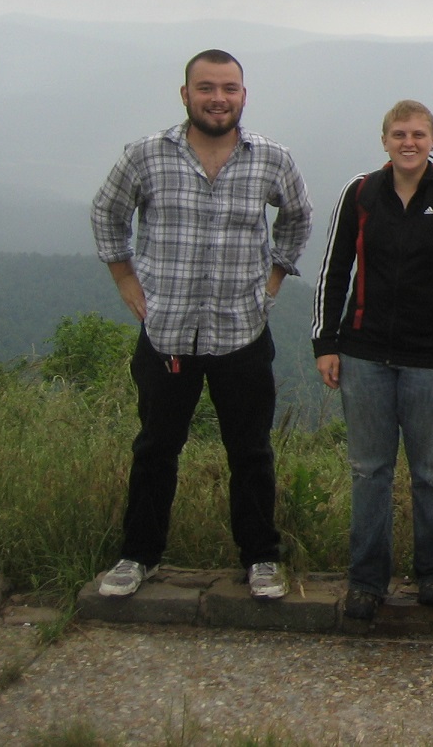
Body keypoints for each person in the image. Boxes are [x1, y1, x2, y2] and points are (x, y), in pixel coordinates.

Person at [90, 50, 312, 600]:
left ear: (244, 95)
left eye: (230, 88)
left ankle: (261, 559)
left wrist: (274, 280)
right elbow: (106, 213)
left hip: (241, 329)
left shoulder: (271, 159)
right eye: (207, 88)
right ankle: (137, 556)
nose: (219, 98)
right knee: (156, 449)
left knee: (252, 451)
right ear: (185, 94)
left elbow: (299, 217)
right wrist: (125, 281)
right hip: (166, 331)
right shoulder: (146, 156)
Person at [312, 100, 433, 619]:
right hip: (364, 352)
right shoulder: (361, 193)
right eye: (398, 133)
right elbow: (335, 267)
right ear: (384, 140)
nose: (408, 142)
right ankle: (367, 580)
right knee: (369, 471)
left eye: (418, 134)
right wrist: (326, 342)